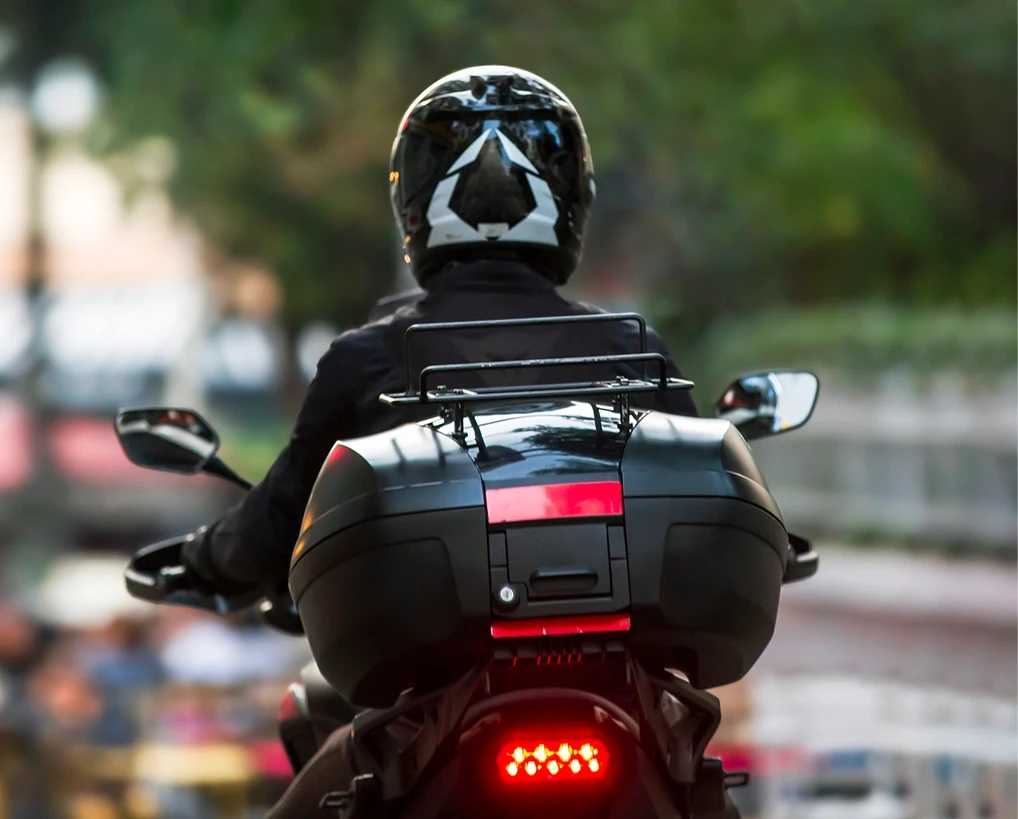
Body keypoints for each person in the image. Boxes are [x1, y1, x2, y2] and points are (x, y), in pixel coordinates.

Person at [179, 65, 699, 816]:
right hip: (621, 706)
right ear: (573, 195)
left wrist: (207, 556)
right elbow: (698, 490)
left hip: (429, 710)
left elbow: (274, 523)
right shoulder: (633, 349)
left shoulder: (369, 358)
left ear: (414, 200)